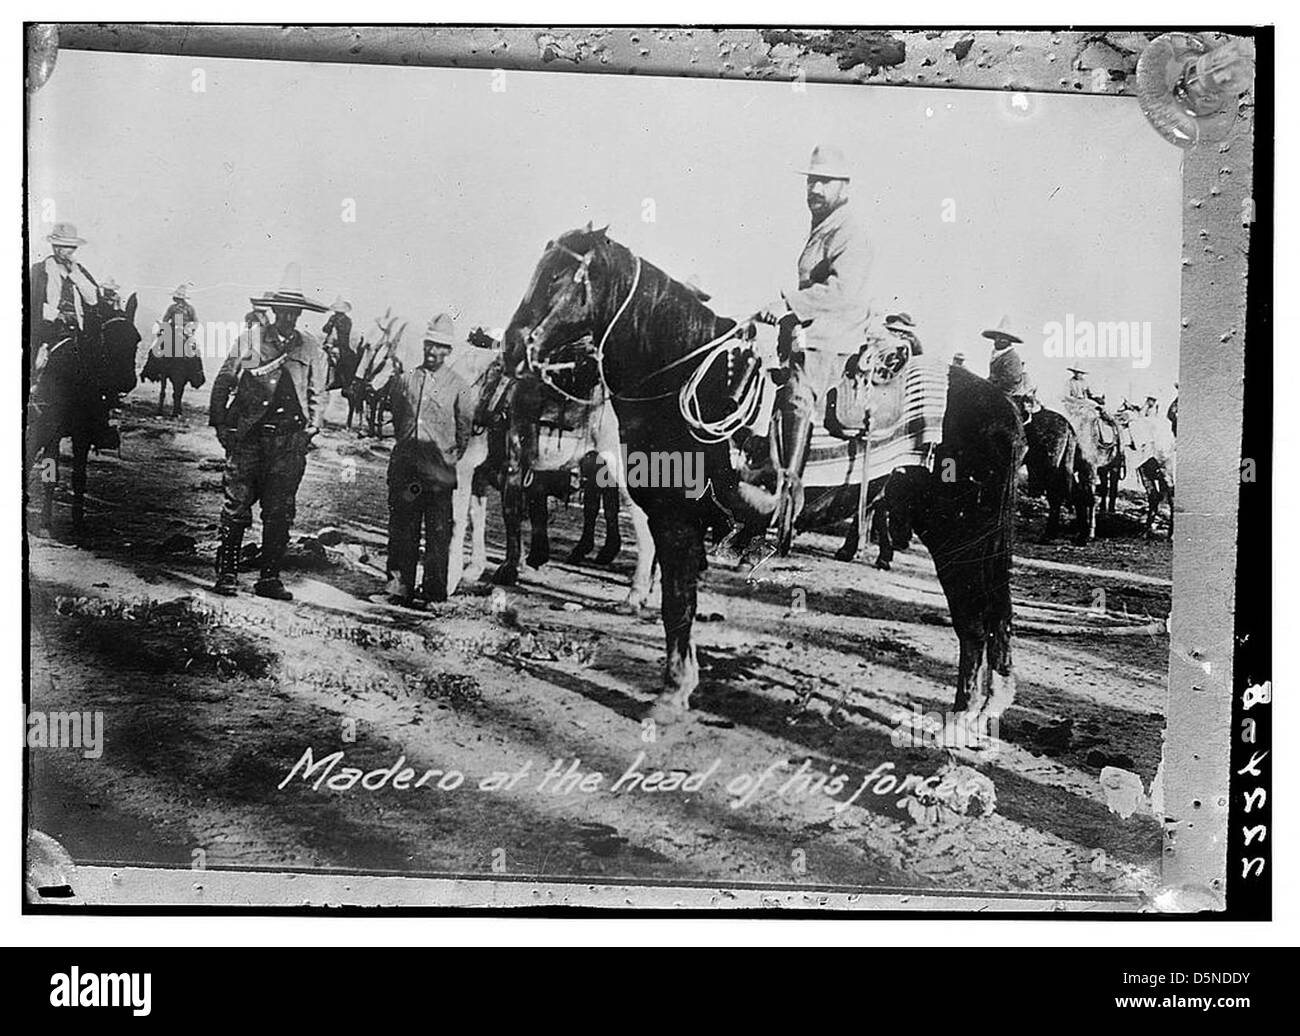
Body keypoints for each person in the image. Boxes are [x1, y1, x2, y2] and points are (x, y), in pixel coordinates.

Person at [208, 265, 329, 600]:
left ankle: (269, 579)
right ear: (274, 311)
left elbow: (318, 393)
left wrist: (312, 429)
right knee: (236, 506)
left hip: (289, 442)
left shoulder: (311, 348)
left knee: (280, 510)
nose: (288, 318)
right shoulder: (251, 341)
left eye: (294, 313)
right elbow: (224, 382)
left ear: (300, 314)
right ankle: (228, 574)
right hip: (248, 439)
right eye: (283, 312)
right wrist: (221, 426)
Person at [384, 312, 476, 608]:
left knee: (438, 532)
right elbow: (400, 418)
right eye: (429, 344)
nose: (432, 351)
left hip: (438, 474)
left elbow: (464, 430)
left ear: (448, 351)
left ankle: (434, 592)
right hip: (407, 471)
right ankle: (399, 588)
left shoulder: (459, 386)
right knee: (403, 529)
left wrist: (444, 457)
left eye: (440, 347)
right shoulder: (405, 380)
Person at [29, 222, 99, 361]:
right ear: (53, 246)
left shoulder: (79, 271)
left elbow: (93, 299)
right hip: (50, 331)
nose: (62, 251)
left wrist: (76, 273)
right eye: (58, 245)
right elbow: (32, 303)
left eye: (68, 246)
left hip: (78, 331)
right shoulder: (40, 270)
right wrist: (56, 314)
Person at [984, 316, 1027, 396]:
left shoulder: (1012, 357)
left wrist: (991, 386)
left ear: (1008, 341)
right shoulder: (996, 355)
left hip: (1008, 393)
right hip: (994, 389)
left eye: (1003, 339)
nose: (998, 341)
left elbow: (1011, 379)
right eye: (997, 338)